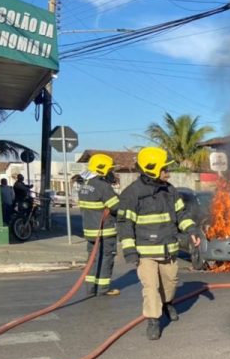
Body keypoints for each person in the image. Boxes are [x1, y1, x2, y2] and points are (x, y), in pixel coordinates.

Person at [117, 146, 201, 340]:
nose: (168, 172)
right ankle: (153, 320)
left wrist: (191, 230)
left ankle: (167, 303)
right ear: (153, 169)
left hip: (168, 249)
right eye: (165, 169)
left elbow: (181, 214)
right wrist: (130, 251)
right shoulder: (132, 193)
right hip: (145, 252)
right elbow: (125, 224)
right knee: (151, 286)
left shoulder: (170, 190)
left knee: (170, 283)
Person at [78, 154, 121, 297]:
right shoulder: (103, 186)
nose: (111, 172)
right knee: (106, 258)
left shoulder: (84, 186)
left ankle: (91, 288)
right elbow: (116, 207)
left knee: (93, 259)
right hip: (104, 231)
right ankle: (103, 288)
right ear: (102, 169)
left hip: (90, 230)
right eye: (109, 170)